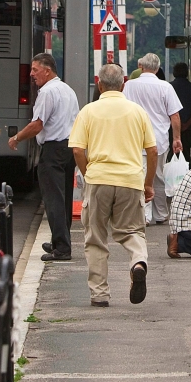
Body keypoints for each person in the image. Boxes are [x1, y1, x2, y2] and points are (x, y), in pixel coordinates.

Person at [69, 62, 158, 307]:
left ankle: (99, 295)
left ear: (98, 84)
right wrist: (148, 184)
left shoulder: (88, 111)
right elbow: (152, 151)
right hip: (130, 180)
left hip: (98, 179)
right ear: (124, 83)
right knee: (132, 231)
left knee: (96, 237)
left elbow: (77, 149)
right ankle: (138, 263)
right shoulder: (137, 112)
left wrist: (88, 174)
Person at [8, 53, 80, 261]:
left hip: (53, 149)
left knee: (53, 199)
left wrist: (17, 138)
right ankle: (60, 241)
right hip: (68, 147)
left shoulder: (47, 92)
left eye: (35, 70)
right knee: (64, 197)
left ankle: (62, 248)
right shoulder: (68, 90)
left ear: (47, 71)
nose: (31, 74)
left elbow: (37, 124)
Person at [122, 53, 182, 224]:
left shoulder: (129, 86)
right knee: (159, 176)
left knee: (140, 176)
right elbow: (175, 115)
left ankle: (144, 215)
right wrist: (176, 138)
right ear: (157, 68)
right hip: (159, 140)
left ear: (141, 66)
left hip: (135, 138)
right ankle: (161, 213)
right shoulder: (165, 87)